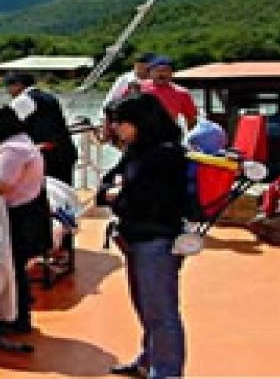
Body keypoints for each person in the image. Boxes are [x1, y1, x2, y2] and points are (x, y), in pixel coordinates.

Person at [97, 94, 190, 379]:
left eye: (121, 124)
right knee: (146, 307)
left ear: (139, 122)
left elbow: (140, 200)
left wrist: (116, 195)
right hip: (135, 238)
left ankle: (167, 372)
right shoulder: (138, 151)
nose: (117, 130)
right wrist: (113, 193)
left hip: (156, 240)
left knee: (161, 312)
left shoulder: (165, 155)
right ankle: (149, 360)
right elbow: (108, 185)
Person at [0, 106, 50, 335]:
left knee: (12, 267)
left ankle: (16, 317)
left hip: (18, 216)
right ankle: (15, 314)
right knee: (16, 268)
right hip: (28, 211)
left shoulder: (12, 151)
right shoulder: (23, 143)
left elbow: (0, 185)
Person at [4, 72, 79, 185]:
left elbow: (6, 125)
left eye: (8, 87)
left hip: (47, 155)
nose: (8, 92)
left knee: (47, 194)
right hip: (64, 150)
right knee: (64, 191)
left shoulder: (23, 100)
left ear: (18, 85)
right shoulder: (49, 97)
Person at [141, 56, 198, 130]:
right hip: (142, 133)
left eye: (165, 70)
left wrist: (191, 138)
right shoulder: (139, 88)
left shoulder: (182, 93)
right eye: (157, 70)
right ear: (150, 73)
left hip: (168, 134)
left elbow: (191, 119)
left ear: (172, 73)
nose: (161, 74)